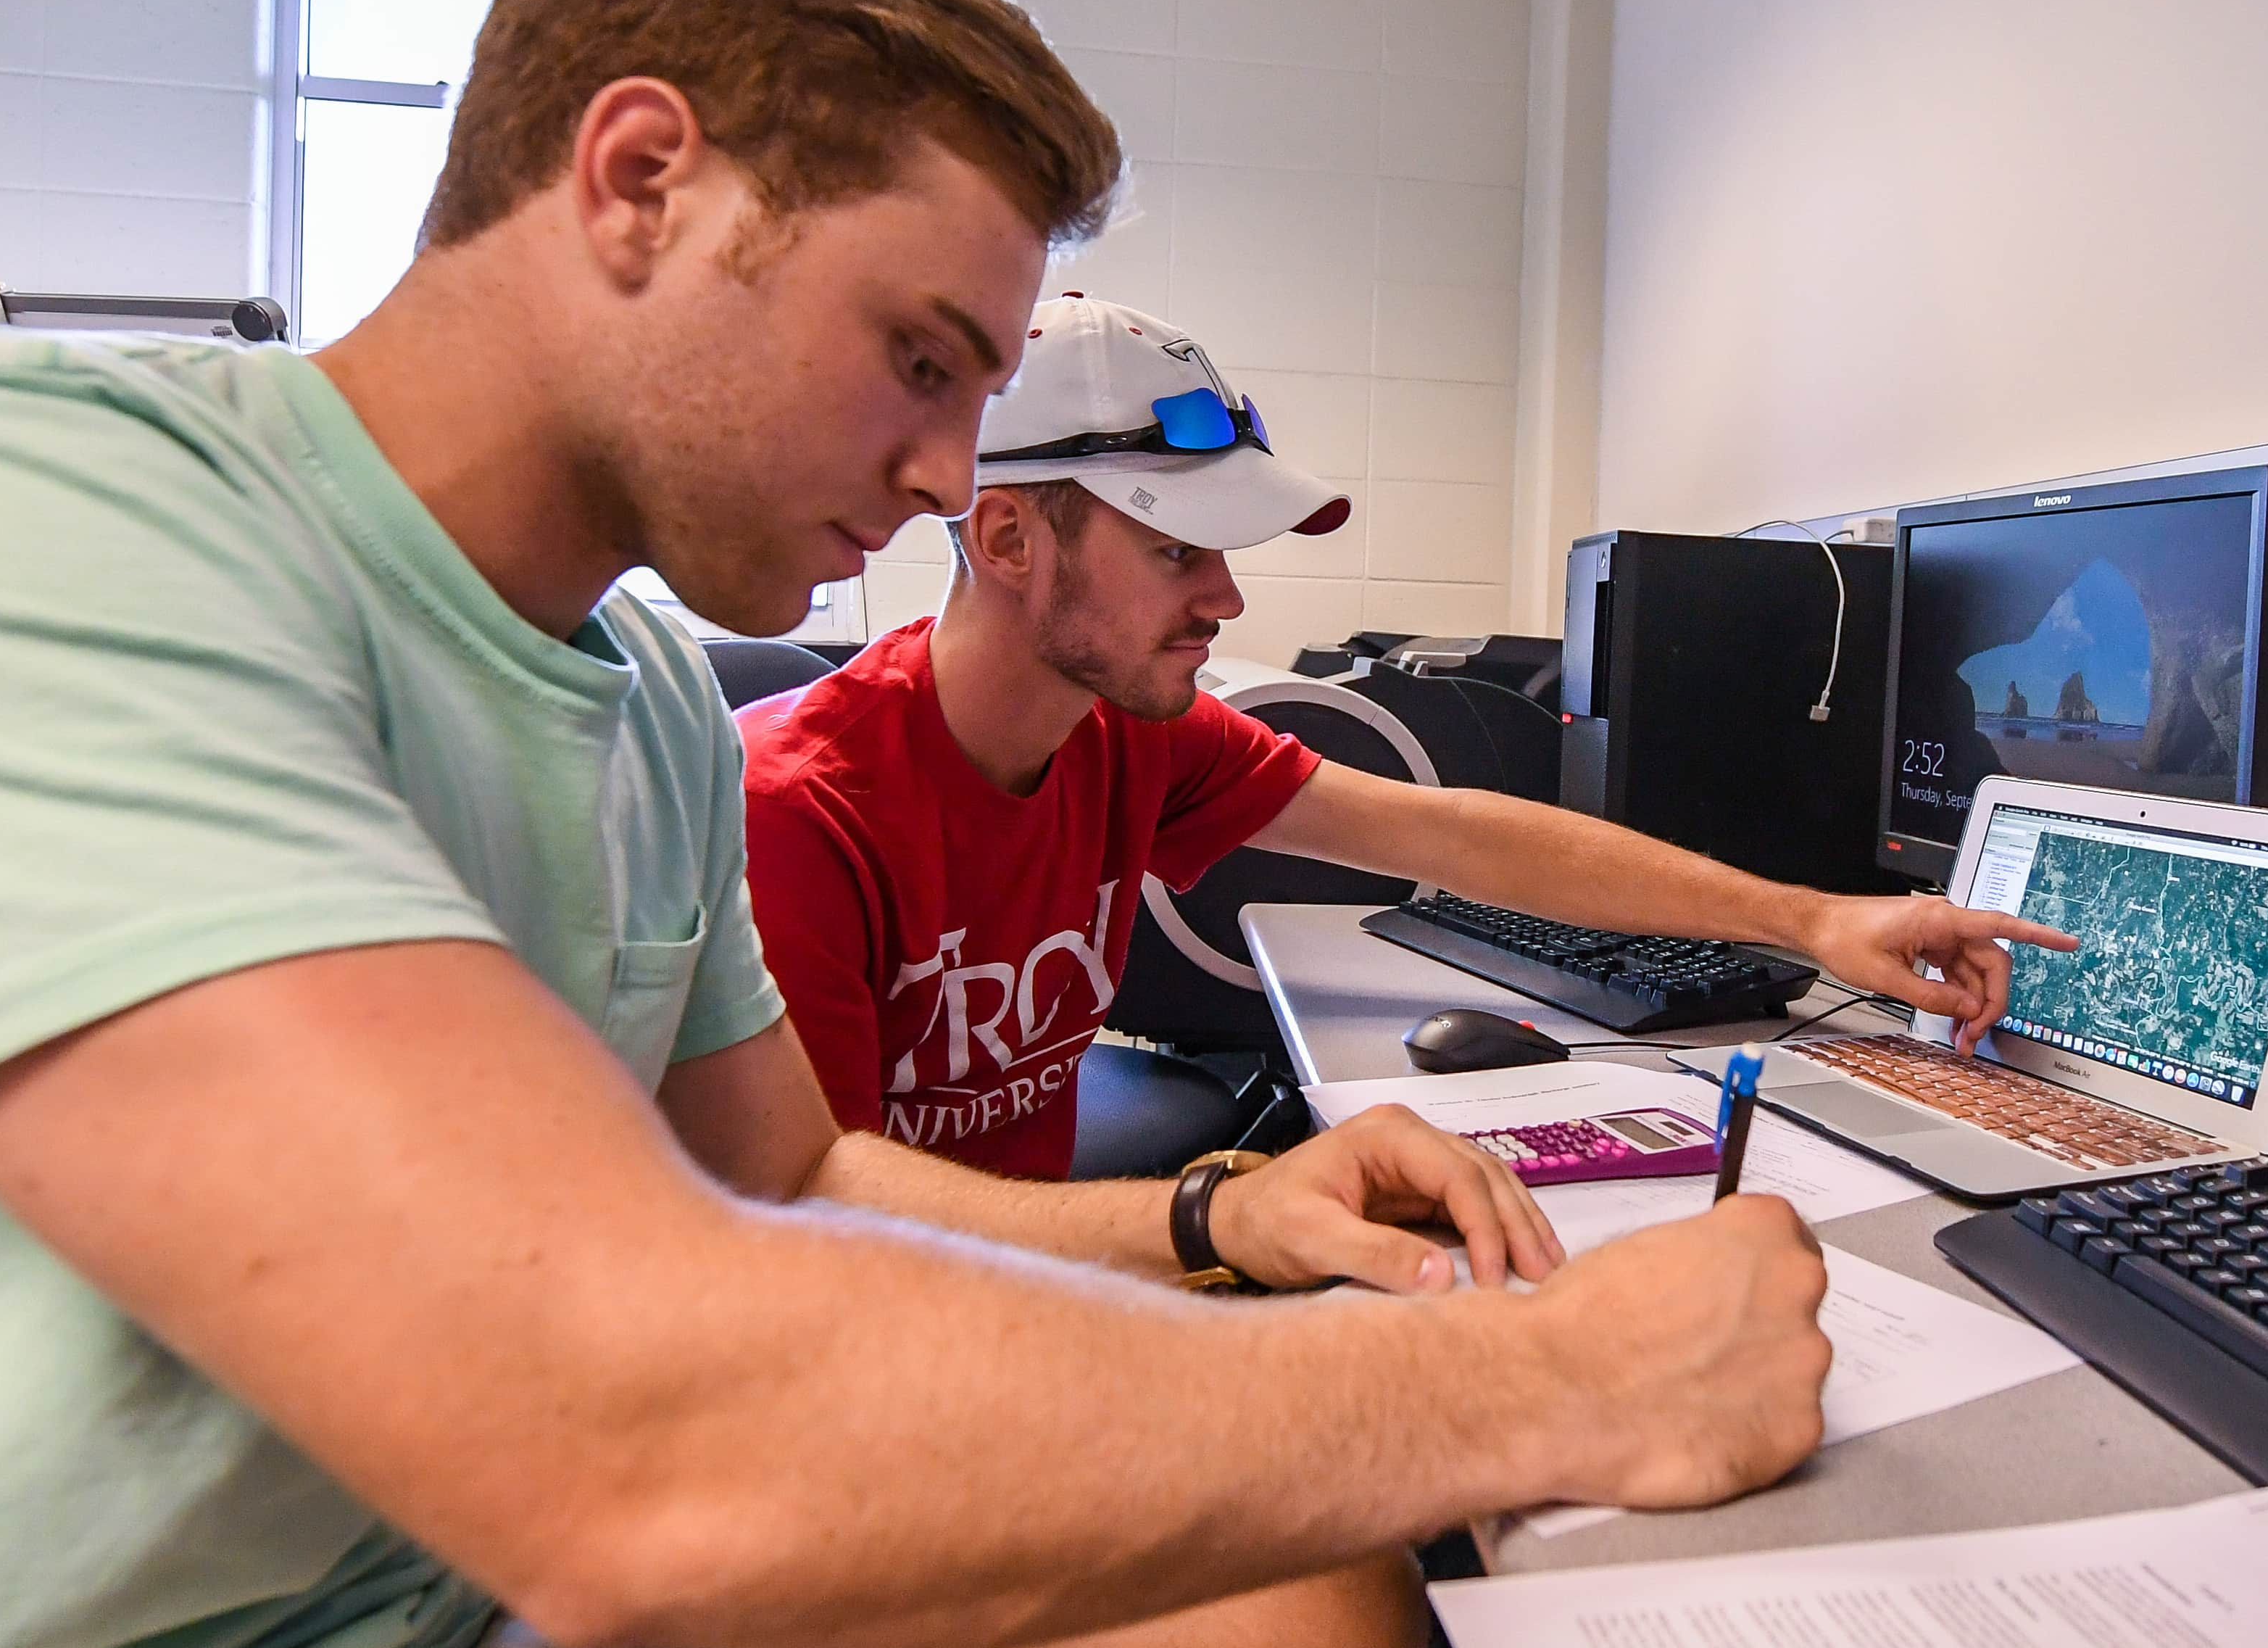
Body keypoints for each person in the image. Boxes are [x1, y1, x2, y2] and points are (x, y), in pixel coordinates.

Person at [0, 0, 1846, 1648]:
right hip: (243, 1643)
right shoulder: (16, 502)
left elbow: (790, 1180)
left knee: (1316, 1613)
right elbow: (616, 1421)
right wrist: (1533, 1378)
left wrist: (1228, 1212)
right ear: (640, 182)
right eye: (917, 359)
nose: (954, 485)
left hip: (475, 1588)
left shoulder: (636, 694)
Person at [736, 292, 2076, 1181]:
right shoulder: (798, 812)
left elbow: (1448, 834)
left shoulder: (1128, 736)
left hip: (1027, 1284)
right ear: (1010, 538)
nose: (1225, 597)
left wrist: (1809, 919)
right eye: (1174, 550)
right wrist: (1218, 1227)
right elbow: (824, 1228)